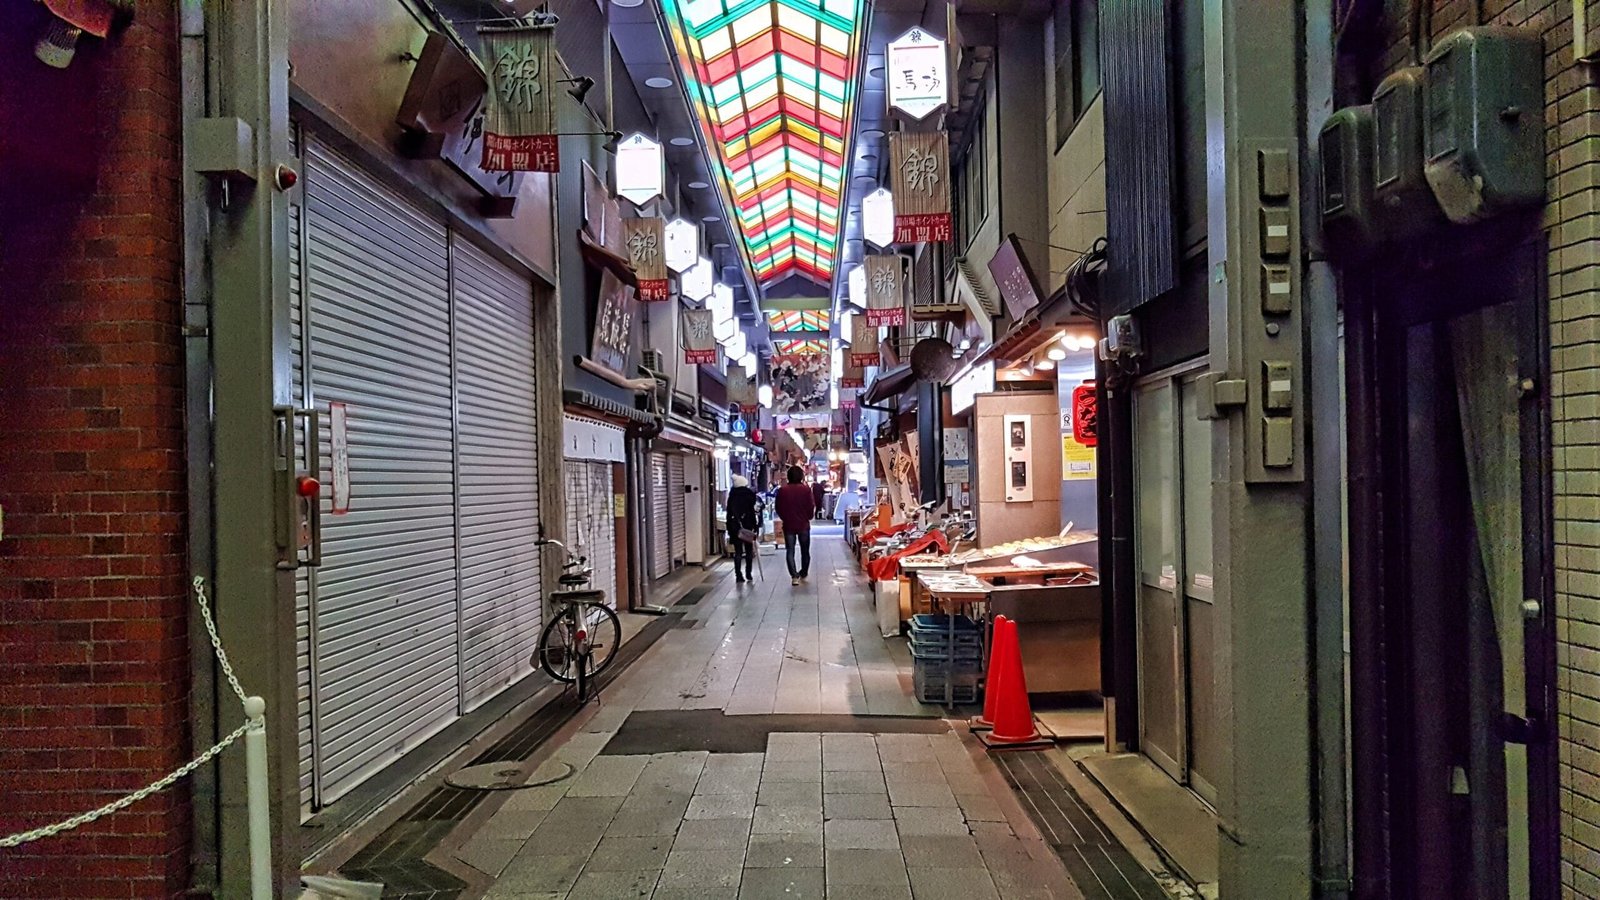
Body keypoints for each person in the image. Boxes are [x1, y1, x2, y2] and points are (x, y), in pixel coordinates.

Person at [774, 465, 816, 585]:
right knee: (805, 550)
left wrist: (785, 518)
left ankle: (794, 576)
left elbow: (778, 507)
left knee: (790, 551)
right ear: (801, 476)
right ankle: (804, 572)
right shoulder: (806, 490)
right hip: (803, 524)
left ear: (788, 476)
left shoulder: (782, 490)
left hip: (789, 525)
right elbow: (811, 506)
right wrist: (808, 517)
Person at [725, 474, 760, 583]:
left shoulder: (732, 496)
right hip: (748, 526)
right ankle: (748, 573)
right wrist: (755, 526)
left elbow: (729, 514)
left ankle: (738, 575)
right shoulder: (749, 495)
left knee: (738, 552)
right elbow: (752, 512)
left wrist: (729, 528)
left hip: (735, 527)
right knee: (749, 551)